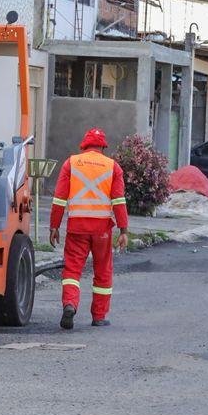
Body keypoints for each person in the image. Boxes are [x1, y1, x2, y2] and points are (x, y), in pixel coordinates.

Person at [49, 128, 129, 330]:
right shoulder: (113, 167)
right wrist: (124, 230)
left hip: (77, 227)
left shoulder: (71, 163)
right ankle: (99, 316)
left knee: (72, 270)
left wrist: (54, 226)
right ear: (103, 146)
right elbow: (119, 201)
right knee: (102, 271)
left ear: (83, 145)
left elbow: (59, 199)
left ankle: (70, 304)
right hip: (102, 229)